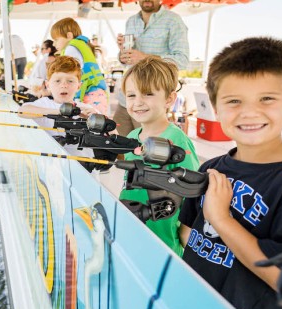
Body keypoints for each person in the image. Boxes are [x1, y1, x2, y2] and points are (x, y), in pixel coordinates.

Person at [178, 37, 282, 309]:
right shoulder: (212, 167)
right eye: (234, 101)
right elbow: (188, 233)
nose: (249, 112)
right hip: (187, 304)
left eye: (267, 98)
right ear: (216, 107)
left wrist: (222, 220)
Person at [119, 56, 199, 256]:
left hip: (163, 242)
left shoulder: (177, 141)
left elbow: (194, 194)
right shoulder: (132, 137)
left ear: (169, 99)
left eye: (148, 94)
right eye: (131, 95)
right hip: (131, 232)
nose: (138, 102)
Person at [112, 0, 189, 137]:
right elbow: (129, 58)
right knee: (118, 147)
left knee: (149, 151)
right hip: (126, 99)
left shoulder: (173, 20)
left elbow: (182, 60)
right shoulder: (131, 21)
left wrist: (144, 57)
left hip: (150, 101)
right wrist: (122, 55)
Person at [18, 55, 97, 157]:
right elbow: (21, 111)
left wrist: (94, 119)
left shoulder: (86, 109)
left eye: (70, 81)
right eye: (57, 81)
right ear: (48, 85)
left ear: (79, 86)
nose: (64, 85)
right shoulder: (43, 104)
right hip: (51, 167)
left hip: (82, 167)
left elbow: (112, 132)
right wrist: (62, 111)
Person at [50, 17, 108, 115]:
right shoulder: (80, 45)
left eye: (56, 39)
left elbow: (68, 74)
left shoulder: (71, 48)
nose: (54, 44)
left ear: (69, 35)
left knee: (90, 124)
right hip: (96, 92)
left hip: (89, 93)